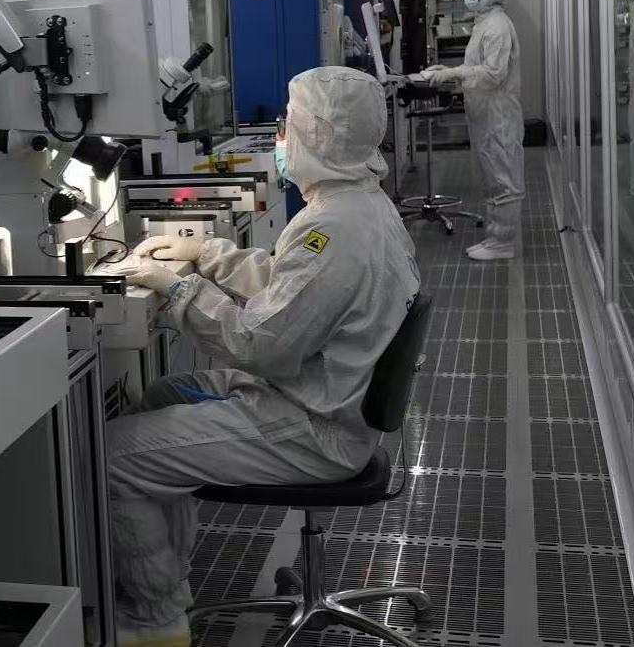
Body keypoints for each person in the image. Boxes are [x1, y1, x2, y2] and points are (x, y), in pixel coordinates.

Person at [111, 66, 421, 647]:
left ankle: (157, 620)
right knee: (162, 395)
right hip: (326, 402)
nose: (280, 137)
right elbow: (296, 287)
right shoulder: (355, 206)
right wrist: (208, 253)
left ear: (316, 135)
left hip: (313, 431)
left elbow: (260, 345)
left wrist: (175, 289)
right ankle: (170, 580)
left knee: (112, 457)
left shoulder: (335, 228)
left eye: (287, 125)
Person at [424, 0, 525, 260]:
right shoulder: (484, 23)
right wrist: (451, 71)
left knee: (504, 179)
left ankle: (503, 242)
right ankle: (495, 237)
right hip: (485, 113)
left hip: (498, 116)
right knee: (493, 176)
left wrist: (455, 73)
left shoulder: (497, 27)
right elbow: (478, 67)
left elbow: (493, 74)